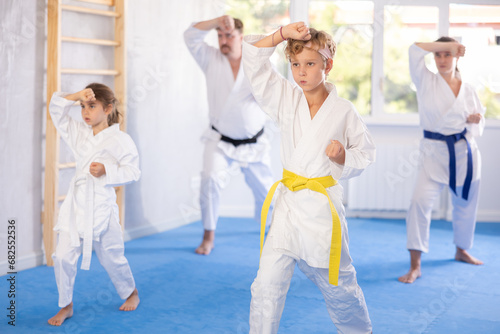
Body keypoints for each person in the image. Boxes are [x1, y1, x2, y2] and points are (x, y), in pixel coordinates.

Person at [242, 22, 374, 333]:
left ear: (328, 64)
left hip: (320, 214)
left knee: (339, 288)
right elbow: (254, 61)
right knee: (265, 286)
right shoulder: (286, 97)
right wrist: (282, 34)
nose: (301, 72)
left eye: (310, 64)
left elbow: (365, 153)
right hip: (288, 208)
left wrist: (342, 156)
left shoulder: (344, 111)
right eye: (295, 64)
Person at [47, 83, 141, 326]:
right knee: (62, 256)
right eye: (82, 106)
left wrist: (106, 171)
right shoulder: (79, 131)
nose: (85, 112)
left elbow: (133, 171)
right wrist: (76, 95)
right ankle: (65, 305)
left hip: (101, 206)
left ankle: (131, 292)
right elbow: (56, 109)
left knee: (112, 256)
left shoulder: (121, 140)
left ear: (108, 108)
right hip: (76, 205)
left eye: (91, 106)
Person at [184, 15, 274, 255]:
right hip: (220, 141)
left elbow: (274, 94)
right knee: (210, 180)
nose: (224, 40)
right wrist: (216, 22)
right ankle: (208, 236)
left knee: (268, 195)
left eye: (229, 35)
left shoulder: (256, 64)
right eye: (220, 35)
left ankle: (273, 231)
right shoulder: (211, 59)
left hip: (254, 143)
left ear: (241, 38)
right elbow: (190, 35)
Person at [398, 38, 485, 284]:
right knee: (418, 203)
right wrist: (447, 46)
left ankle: (462, 249)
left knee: (465, 203)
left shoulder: (468, 88)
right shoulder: (425, 80)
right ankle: (415, 264)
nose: (443, 60)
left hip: (464, 152)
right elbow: (413, 49)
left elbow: (478, 119)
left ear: (457, 57)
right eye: (438, 55)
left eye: (448, 55)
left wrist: (476, 119)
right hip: (433, 154)